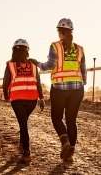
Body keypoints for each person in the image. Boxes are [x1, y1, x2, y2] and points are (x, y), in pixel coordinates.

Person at [31, 18, 87, 162]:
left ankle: (65, 143)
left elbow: (50, 65)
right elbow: (83, 69)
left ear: (59, 32)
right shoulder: (79, 49)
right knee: (71, 121)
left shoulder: (55, 46)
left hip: (59, 88)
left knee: (56, 117)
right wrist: (82, 83)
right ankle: (69, 153)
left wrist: (37, 64)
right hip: (77, 89)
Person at [2, 39, 45, 163]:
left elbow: (6, 81)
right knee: (24, 122)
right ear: (27, 51)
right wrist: (41, 98)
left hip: (17, 99)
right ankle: (22, 144)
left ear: (14, 50)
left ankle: (26, 152)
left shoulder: (10, 64)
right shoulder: (33, 64)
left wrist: (6, 95)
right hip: (32, 100)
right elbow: (38, 82)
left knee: (23, 124)